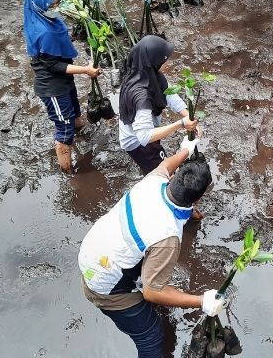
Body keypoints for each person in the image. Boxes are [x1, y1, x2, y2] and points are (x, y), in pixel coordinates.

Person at [78, 136, 224, 356]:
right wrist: (202, 301)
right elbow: (152, 292)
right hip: (105, 287)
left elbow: (165, 165)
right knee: (151, 335)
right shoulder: (167, 237)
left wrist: (184, 151)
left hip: (91, 253)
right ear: (197, 200)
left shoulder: (153, 181)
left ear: (174, 178)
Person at [23, 0, 101, 173]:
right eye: (52, 6)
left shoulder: (41, 18)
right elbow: (54, 66)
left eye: (57, 4)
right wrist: (85, 70)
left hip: (64, 82)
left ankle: (81, 135)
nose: (55, 9)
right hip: (53, 88)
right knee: (64, 127)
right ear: (40, 6)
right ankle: (67, 170)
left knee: (74, 111)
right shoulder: (46, 32)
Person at [118, 36, 199, 176]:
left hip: (145, 131)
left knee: (160, 169)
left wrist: (189, 116)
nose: (168, 62)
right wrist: (181, 124)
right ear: (154, 61)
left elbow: (170, 95)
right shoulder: (141, 95)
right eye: (164, 59)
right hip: (137, 143)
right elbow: (144, 137)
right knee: (165, 173)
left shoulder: (146, 72)